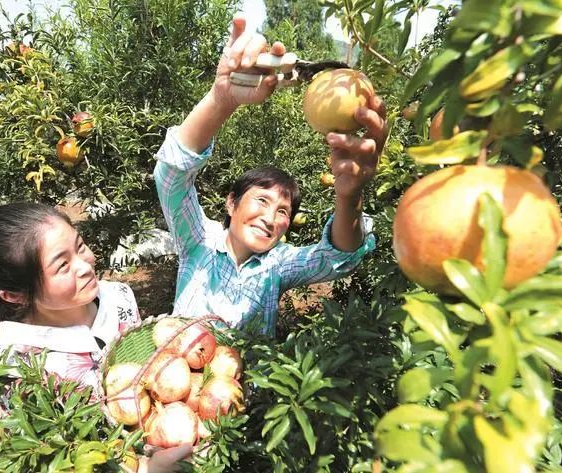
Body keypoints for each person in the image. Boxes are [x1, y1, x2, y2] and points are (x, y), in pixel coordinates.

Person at [154, 14, 388, 336]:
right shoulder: (198, 241)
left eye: (283, 211)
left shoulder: (276, 266)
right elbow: (172, 176)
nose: (270, 217)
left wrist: (349, 196)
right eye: (262, 200)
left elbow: (338, 257)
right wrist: (220, 100)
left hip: (243, 387)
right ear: (231, 203)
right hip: (179, 379)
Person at [0, 202, 190, 472]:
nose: (85, 265)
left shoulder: (119, 296)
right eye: (62, 266)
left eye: (80, 246)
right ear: (16, 295)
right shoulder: (13, 369)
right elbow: (50, 459)